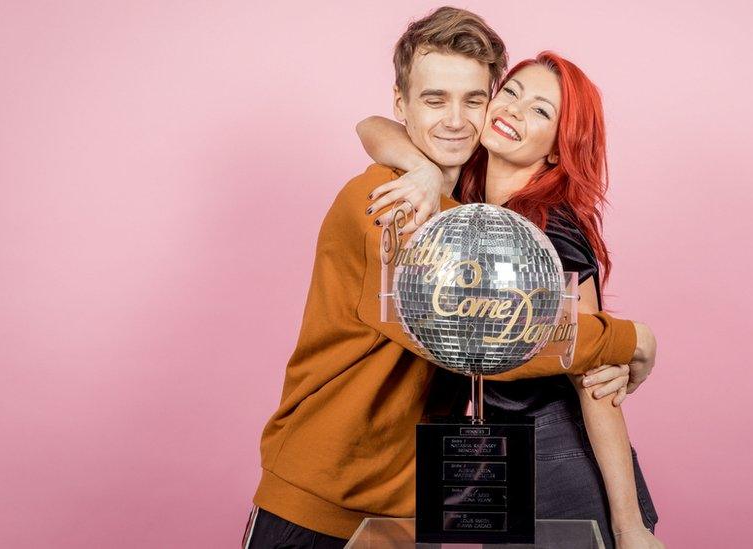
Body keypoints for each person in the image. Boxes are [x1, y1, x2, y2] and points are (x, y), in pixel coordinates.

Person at [243, 8, 654, 549]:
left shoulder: (471, 215)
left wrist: (630, 527)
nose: (456, 120)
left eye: (475, 100)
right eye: (434, 99)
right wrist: (634, 339)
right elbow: (491, 342)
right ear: (403, 105)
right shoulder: (391, 204)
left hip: (419, 505)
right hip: (322, 506)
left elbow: (380, 127)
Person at [356, 51, 663, 548]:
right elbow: (371, 127)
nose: (514, 111)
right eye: (511, 93)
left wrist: (630, 528)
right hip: (484, 456)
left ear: (560, 149)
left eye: (541, 111)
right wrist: (425, 171)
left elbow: (591, 377)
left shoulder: (550, 230)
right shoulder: (465, 202)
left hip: (553, 458)